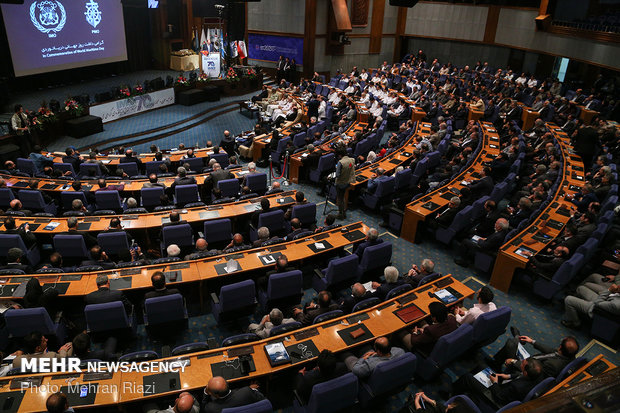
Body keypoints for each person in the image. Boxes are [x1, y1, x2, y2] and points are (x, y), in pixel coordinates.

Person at [452, 357, 544, 407]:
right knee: (481, 367)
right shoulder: (535, 375)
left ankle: (452, 395)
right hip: (504, 387)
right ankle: (468, 388)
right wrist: (507, 376)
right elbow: (519, 376)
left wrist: (495, 382)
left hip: (495, 398)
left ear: (526, 372)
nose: (521, 363)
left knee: (467, 378)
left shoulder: (517, 387)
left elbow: (499, 397)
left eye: (523, 365)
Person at [488, 332, 579, 378]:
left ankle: (497, 366)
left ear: (560, 348)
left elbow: (534, 372)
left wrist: (513, 361)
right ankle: (496, 363)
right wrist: (532, 341)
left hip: (528, 367)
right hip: (533, 360)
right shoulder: (568, 355)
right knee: (513, 342)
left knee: (511, 344)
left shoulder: (553, 366)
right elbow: (551, 350)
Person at [201, 376, 265, 413]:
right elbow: (262, 399)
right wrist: (254, 390)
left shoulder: (211, 408)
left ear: (215, 395)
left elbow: (203, 409)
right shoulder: (246, 391)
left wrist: (206, 393)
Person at [334, 147, 355, 219]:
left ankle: (340, 214)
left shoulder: (340, 163)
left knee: (340, 198)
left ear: (340, 155)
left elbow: (337, 175)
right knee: (343, 197)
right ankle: (344, 212)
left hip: (340, 183)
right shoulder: (352, 160)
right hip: (347, 182)